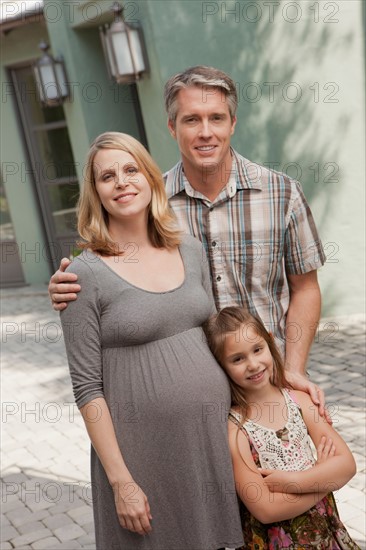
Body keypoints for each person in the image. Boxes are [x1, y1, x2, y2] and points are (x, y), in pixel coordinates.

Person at [49, 65, 326, 393]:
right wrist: (67, 284)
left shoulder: (282, 194)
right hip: (195, 389)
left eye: (217, 118)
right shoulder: (146, 203)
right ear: (172, 127)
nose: (205, 132)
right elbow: (104, 266)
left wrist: (293, 368)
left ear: (233, 123)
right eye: (192, 119)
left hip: (270, 381)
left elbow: (305, 288)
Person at [59, 131, 244, 550]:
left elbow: (217, 340)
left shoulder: (191, 250)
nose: (122, 182)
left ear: (150, 179)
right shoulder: (83, 276)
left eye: (131, 170)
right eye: (107, 176)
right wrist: (121, 481)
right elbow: (87, 388)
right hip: (141, 456)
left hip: (210, 442)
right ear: (96, 193)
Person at [203, 306, 360, 549]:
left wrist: (293, 482)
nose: (253, 364)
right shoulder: (235, 430)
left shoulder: (301, 402)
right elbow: (266, 509)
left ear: (268, 340)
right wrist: (324, 479)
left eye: (257, 349)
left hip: (326, 536)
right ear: (220, 366)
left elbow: (347, 466)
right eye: (238, 359)